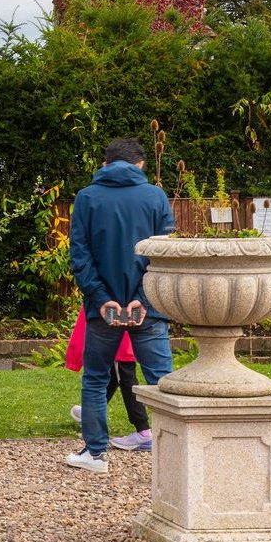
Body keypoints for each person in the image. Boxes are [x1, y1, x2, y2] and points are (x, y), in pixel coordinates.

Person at [66, 137, 175, 472]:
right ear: (140, 164)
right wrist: (142, 299)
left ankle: (95, 454)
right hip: (149, 309)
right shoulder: (155, 196)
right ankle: (175, 456)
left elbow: (80, 257)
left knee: (96, 379)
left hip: (103, 311)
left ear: (106, 163)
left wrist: (102, 299)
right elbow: (165, 254)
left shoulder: (86, 198)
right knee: (162, 382)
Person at [64, 309, 152, 452]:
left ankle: (143, 431)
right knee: (113, 374)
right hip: (119, 327)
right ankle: (90, 412)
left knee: (124, 377)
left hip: (117, 333)